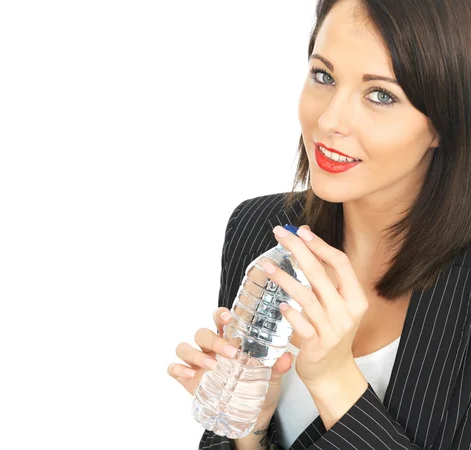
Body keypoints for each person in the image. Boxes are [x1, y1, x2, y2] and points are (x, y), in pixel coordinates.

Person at [167, 0, 471, 449]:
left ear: (444, 122)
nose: (329, 121)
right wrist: (248, 426)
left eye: (381, 95)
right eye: (323, 76)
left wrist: (335, 382)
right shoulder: (259, 228)